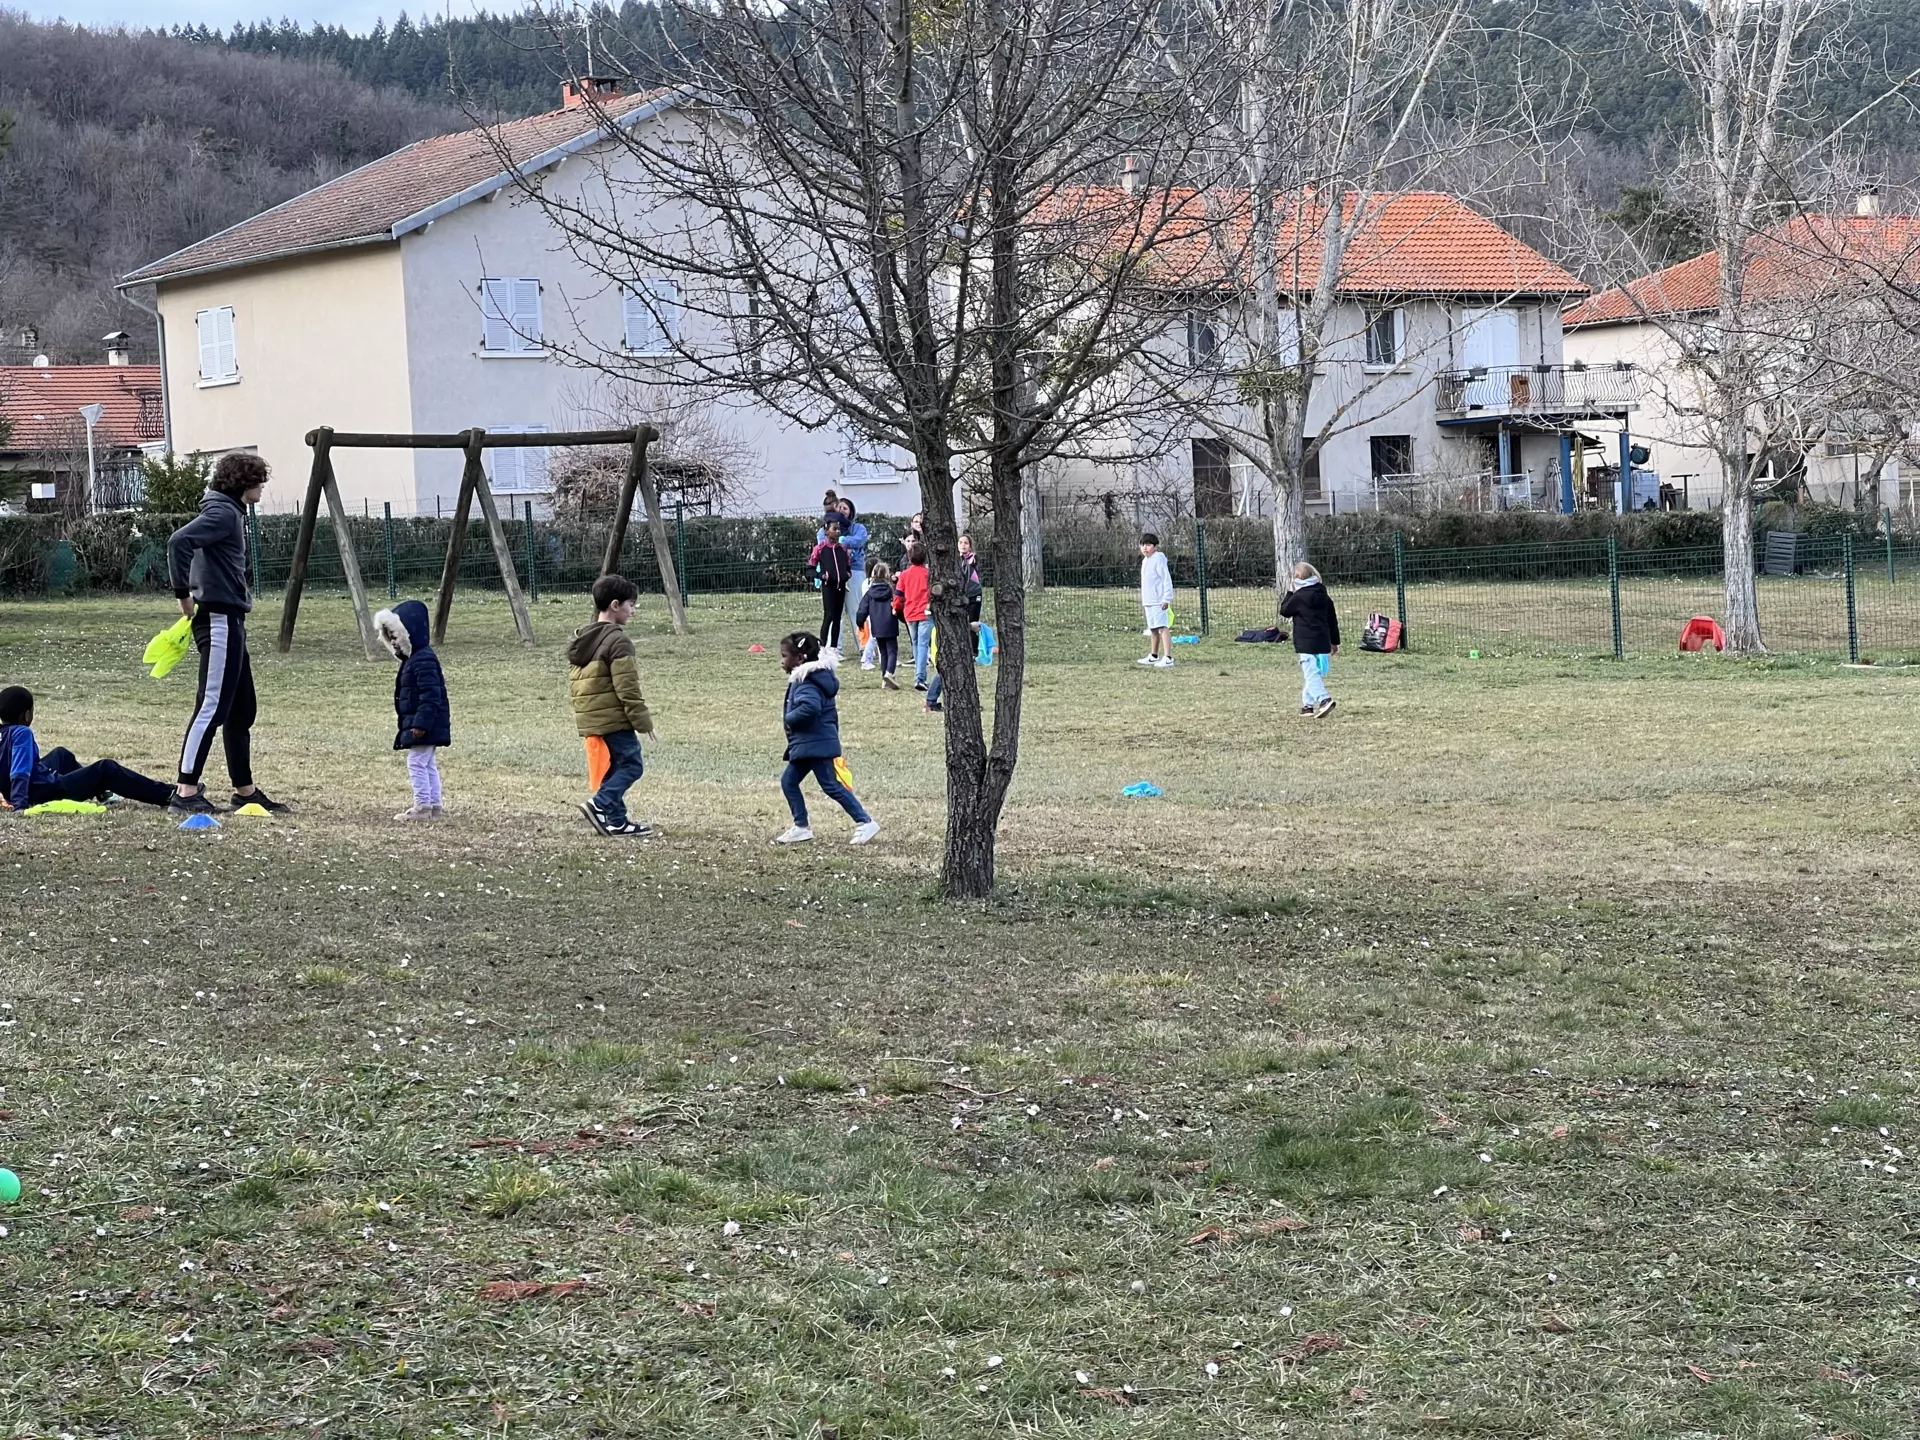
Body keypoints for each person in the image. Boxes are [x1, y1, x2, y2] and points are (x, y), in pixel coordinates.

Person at [168, 452, 291, 815]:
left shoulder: (230, 512)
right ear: (242, 483)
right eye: (258, 480)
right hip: (218, 619)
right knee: (211, 707)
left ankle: (244, 791)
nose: (262, 487)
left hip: (232, 619)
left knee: (241, 708)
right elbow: (178, 542)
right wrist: (183, 596)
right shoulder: (223, 513)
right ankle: (185, 792)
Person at [568, 573, 658, 836]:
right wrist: (643, 722)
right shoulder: (618, 641)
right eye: (631, 605)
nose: (633, 611)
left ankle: (616, 821)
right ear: (615, 605)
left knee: (615, 767)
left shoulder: (584, 639)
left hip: (592, 716)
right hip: (612, 718)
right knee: (632, 765)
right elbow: (627, 688)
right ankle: (599, 804)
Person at [775, 630, 879, 846]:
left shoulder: (807, 681)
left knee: (831, 785)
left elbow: (810, 708)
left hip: (816, 745)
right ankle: (801, 827)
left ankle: (865, 821)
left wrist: (790, 719)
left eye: (784, 656)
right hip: (809, 744)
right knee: (789, 782)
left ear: (800, 658)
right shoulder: (810, 678)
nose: (781, 661)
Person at [1, 686, 172, 811]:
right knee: (106, 768)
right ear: (27, 715)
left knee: (61, 755)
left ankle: (100, 791)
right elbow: (19, 772)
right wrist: (20, 805)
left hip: (31, 786)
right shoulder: (22, 733)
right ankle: (167, 794)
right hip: (44, 793)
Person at [375, 600, 451, 821]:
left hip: (425, 723)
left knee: (416, 762)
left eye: (395, 636)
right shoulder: (416, 659)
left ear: (409, 633)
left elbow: (431, 695)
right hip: (429, 722)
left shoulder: (422, 660)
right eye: (390, 638)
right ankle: (434, 806)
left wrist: (420, 724)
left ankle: (422, 807)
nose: (393, 642)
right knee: (427, 763)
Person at [925, 536, 984, 713]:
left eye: (966, 543)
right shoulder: (950, 572)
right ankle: (931, 700)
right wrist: (971, 627)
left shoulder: (971, 563)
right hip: (947, 630)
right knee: (949, 663)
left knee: (957, 664)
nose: (963, 545)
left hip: (955, 622)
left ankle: (962, 701)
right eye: (960, 542)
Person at [1280, 561, 1340, 718]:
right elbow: (1332, 620)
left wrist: (1290, 592)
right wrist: (1334, 641)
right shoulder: (1323, 595)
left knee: (1310, 673)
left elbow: (1284, 610)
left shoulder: (1299, 596)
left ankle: (1324, 699)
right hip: (1322, 639)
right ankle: (1307, 706)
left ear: (1296, 578)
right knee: (1313, 672)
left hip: (1305, 641)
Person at [855, 561, 901, 690]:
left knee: (883, 652)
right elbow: (898, 604)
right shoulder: (891, 590)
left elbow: (862, 610)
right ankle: (889, 673)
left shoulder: (870, 593)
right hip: (890, 624)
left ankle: (884, 680)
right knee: (892, 650)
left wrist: (860, 623)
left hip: (877, 625)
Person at [809, 518, 854, 650]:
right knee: (828, 616)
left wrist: (847, 574)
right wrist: (822, 576)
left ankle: (834, 648)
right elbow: (810, 569)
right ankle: (822, 648)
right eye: (834, 529)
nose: (838, 531)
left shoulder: (843, 548)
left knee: (837, 618)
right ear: (826, 531)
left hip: (841, 586)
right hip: (828, 587)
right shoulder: (820, 549)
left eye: (839, 529)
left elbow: (847, 565)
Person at [894, 541, 933, 689]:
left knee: (915, 644)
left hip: (909, 613)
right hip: (924, 613)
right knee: (923, 645)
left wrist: (896, 608)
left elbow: (898, 595)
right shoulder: (928, 574)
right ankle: (920, 678)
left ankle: (918, 675)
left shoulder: (904, 575)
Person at [1138, 531, 1174, 669]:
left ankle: (1168, 657)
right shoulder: (1145, 561)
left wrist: (1166, 598)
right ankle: (1154, 655)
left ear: (1155, 547)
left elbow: (1166, 579)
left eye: (1148, 545)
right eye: (1143, 545)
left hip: (1159, 601)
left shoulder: (1158, 559)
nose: (1145, 548)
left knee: (1163, 627)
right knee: (1153, 628)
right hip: (1149, 601)